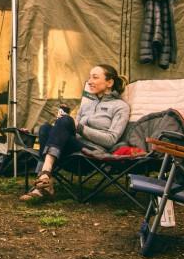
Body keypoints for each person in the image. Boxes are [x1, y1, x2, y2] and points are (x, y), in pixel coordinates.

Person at [20, 64, 130, 201]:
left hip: (92, 154)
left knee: (65, 121)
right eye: (89, 77)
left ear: (110, 82)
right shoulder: (87, 105)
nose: (89, 81)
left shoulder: (121, 107)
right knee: (46, 128)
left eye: (95, 77)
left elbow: (111, 139)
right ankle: (45, 178)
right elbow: (72, 130)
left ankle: (43, 179)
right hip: (71, 151)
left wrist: (79, 127)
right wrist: (60, 125)